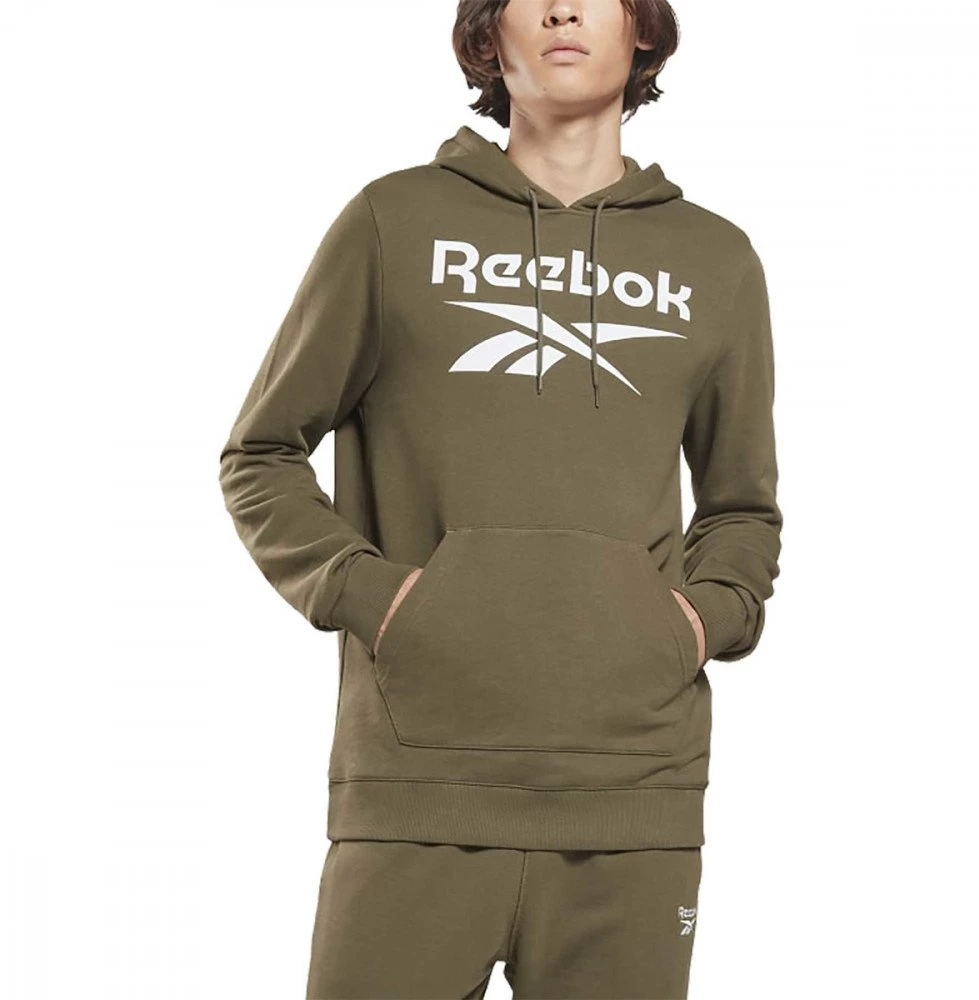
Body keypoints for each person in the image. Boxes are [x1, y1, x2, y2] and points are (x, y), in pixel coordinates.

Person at [217, 1, 782, 996]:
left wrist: (699, 621)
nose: (562, 7)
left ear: (644, 31)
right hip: (416, 784)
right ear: (487, 38)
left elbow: (741, 506)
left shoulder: (716, 260)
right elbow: (261, 453)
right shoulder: (392, 223)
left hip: (634, 797)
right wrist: (379, 598)